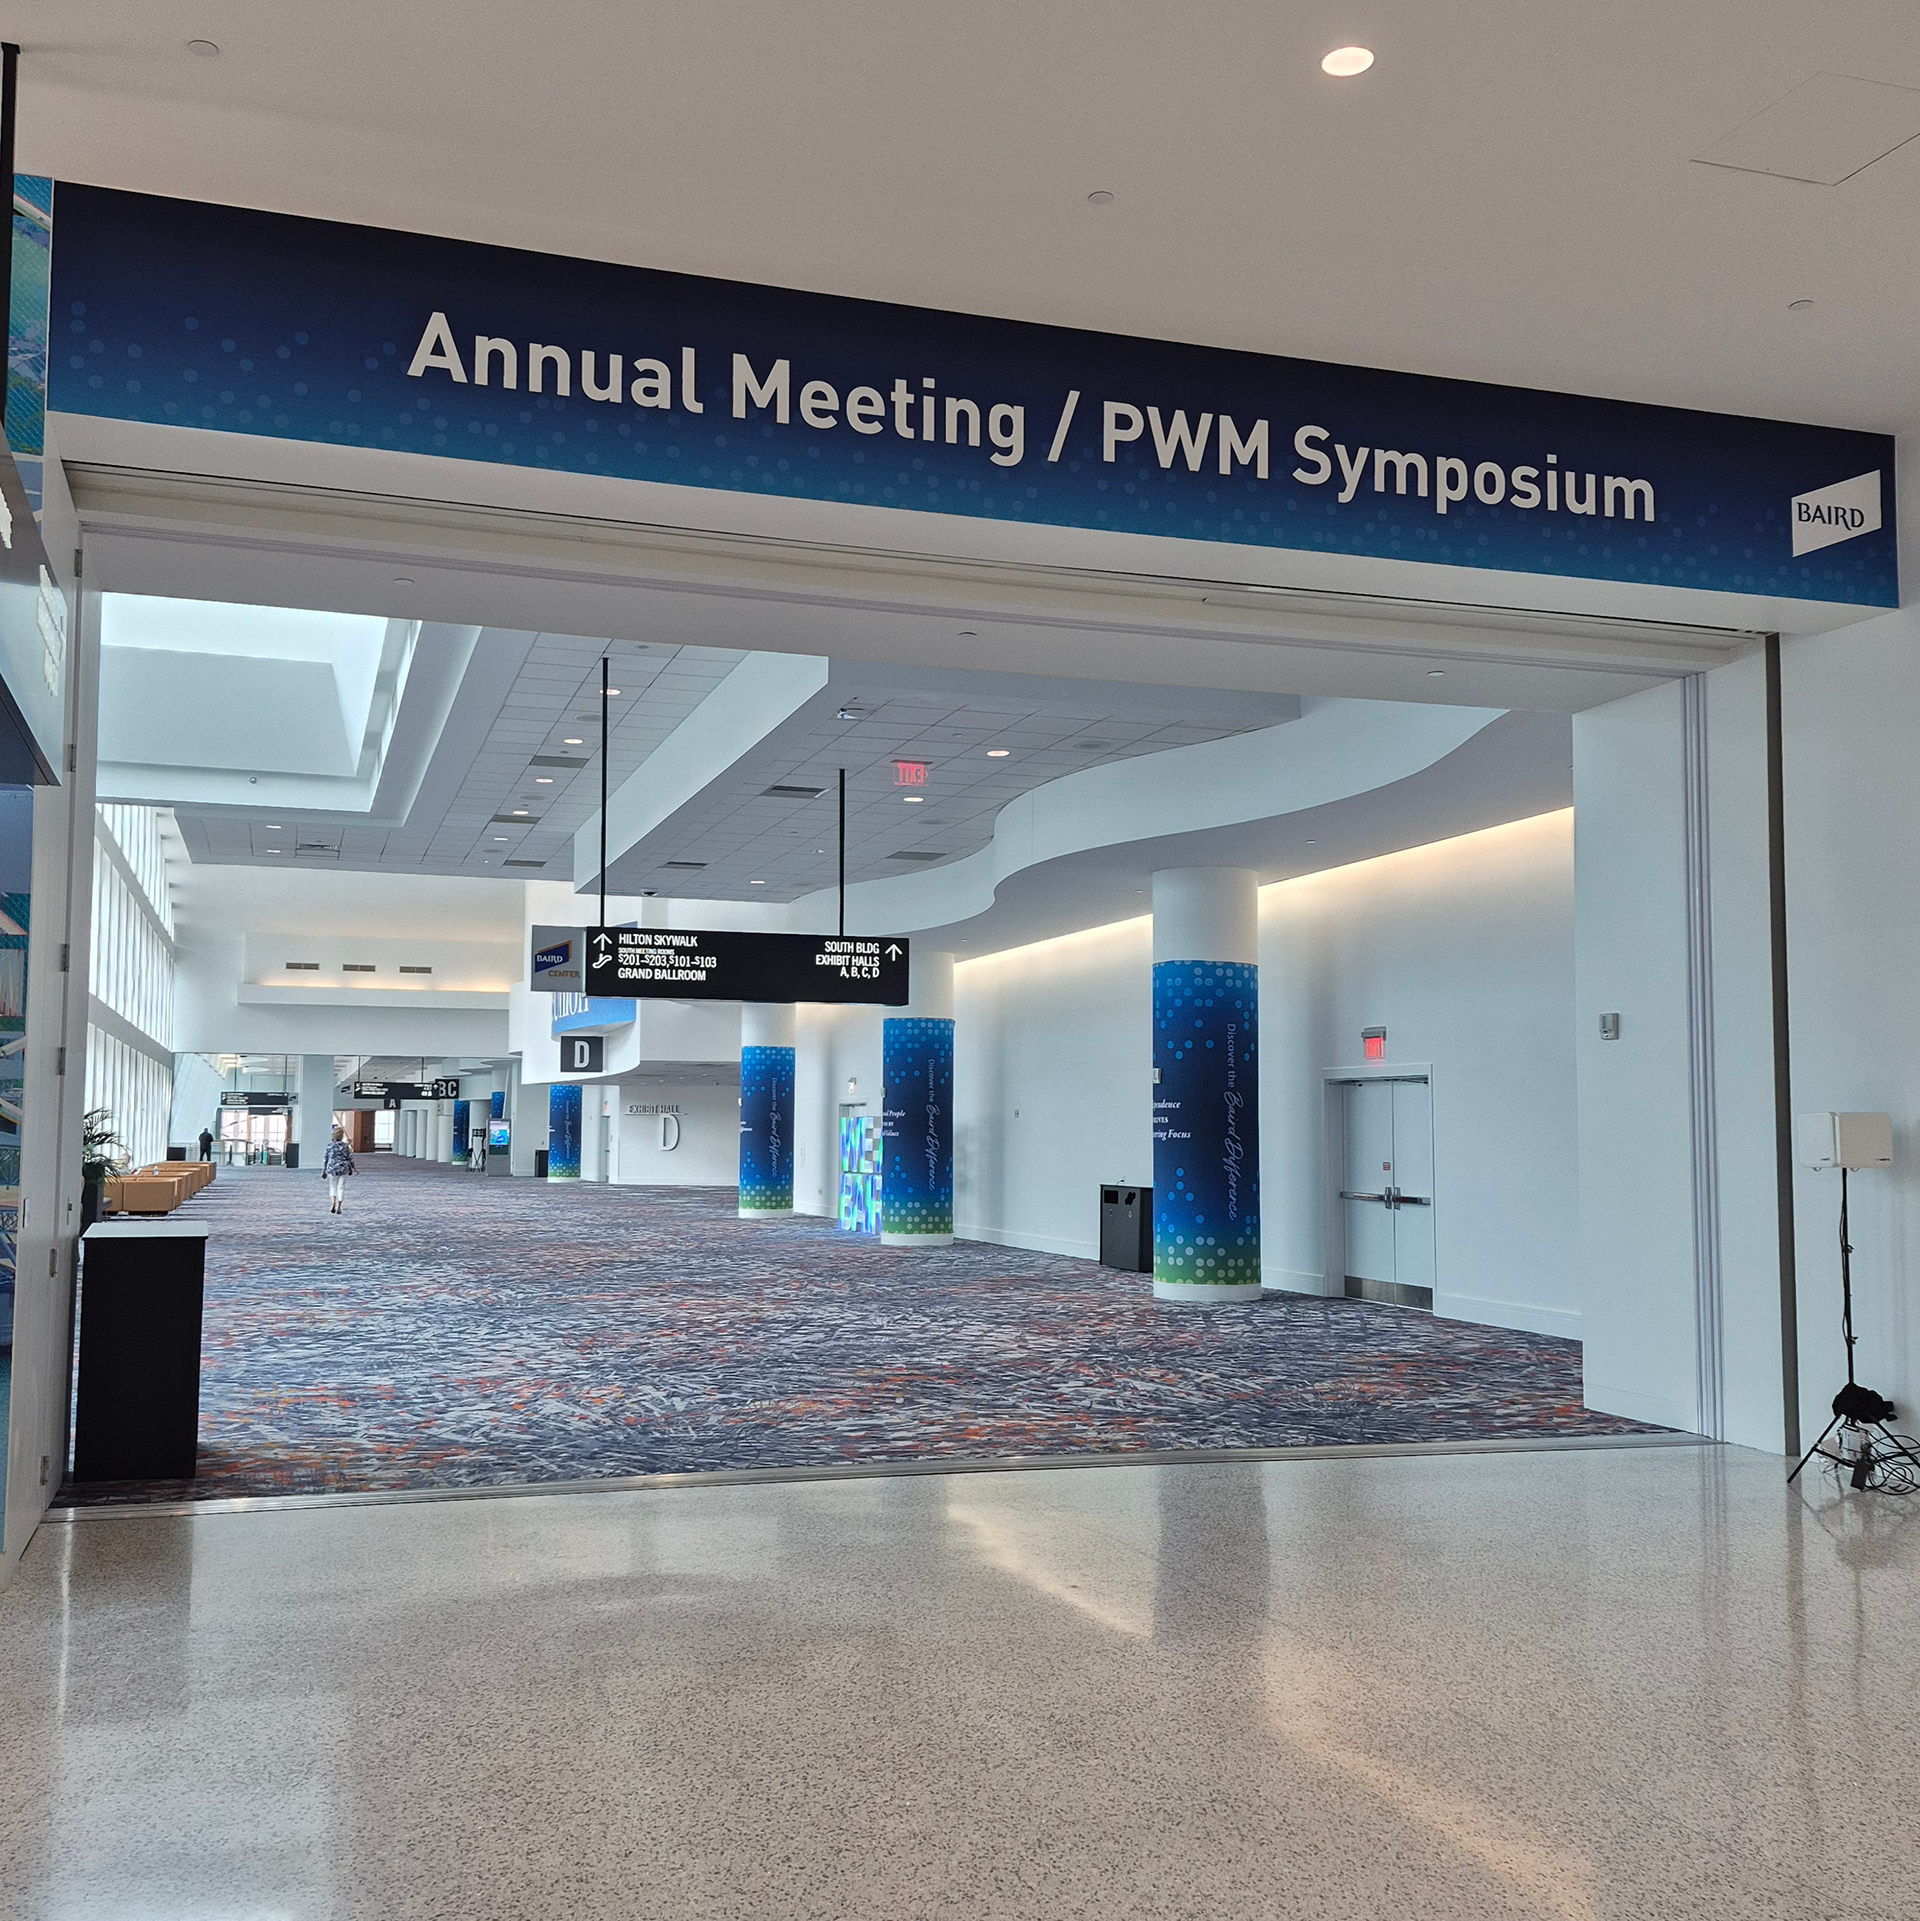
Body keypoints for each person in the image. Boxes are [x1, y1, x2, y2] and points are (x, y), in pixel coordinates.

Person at [322, 1124, 356, 1213]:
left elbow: (326, 1158)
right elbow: (350, 1158)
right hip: (343, 1168)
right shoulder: (345, 1146)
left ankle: (333, 1202)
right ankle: (339, 1206)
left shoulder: (329, 1146)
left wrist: (324, 1169)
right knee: (341, 1187)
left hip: (332, 1168)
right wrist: (354, 1167)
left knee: (333, 1186)